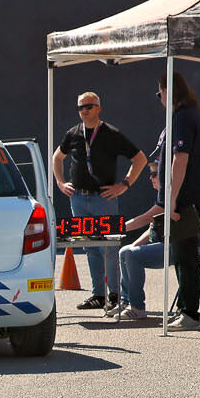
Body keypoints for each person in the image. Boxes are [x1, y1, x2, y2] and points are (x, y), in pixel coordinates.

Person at [114, 72, 200, 327]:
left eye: (159, 93)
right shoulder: (192, 116)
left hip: (182, 200)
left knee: (186, 259)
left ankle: (189, 313)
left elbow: (180, 159)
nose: (159, 99)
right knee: (182, 257)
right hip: (184, 198)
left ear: (168, 91)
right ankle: (185, 311)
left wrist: (172, 200)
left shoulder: (182, 117)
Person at [54, 90, 146, 311]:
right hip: (78, 199)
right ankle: (99, 295)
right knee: (90, 247)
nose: (84, 111)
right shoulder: (73, 133)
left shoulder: (111, 133)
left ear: (99, 108)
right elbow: (57, 157)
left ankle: (114, 295)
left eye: (88, 106)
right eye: (80, 107)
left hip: (103, 199)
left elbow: (140, 159)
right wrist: (60, 183)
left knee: (109, 248)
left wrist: (124, 185)